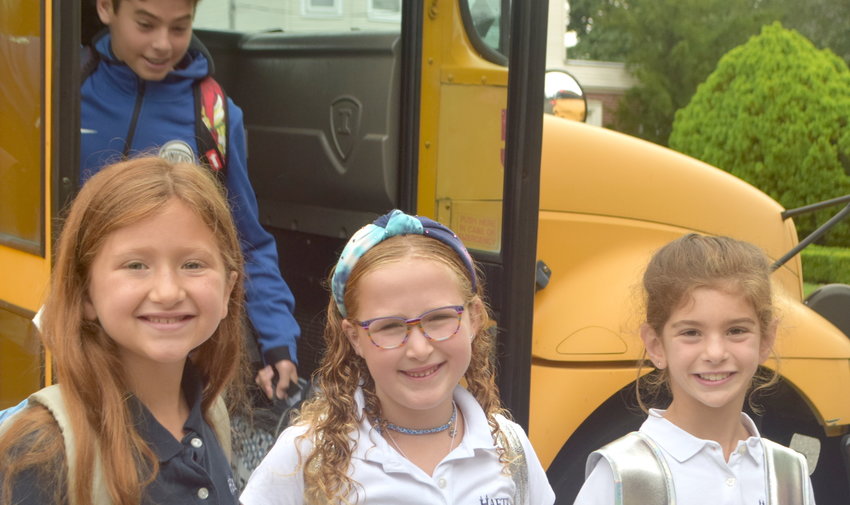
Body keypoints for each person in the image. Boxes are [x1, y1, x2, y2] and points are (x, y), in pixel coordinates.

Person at [240, 209, 555, 505]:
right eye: (389, 326)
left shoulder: (509, 449)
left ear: (473, 319)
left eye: (439, 319)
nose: (419, 349)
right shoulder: (306, 454)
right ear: (355, 339)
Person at [81, 0, 299, 400]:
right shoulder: (62, 87)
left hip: (173, 350)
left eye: (179, 28)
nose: (163, 44)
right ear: (105, 9)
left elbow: (244, 237)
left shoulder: (212, 113)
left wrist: (277, 340)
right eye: (145, 25)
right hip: (82, 337)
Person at [0, 157, 247, 504]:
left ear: (227, 291)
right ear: (85, 292)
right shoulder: (42, 453)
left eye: (193, 264)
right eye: (136, 265)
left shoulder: (211, 412)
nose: (168, 292)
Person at [573, 234, 815, 505]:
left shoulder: (789, 474)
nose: (714, 353)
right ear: (656, 345)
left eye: (736, 331)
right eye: (691, 332)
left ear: (766, 340)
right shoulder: (622, 476)